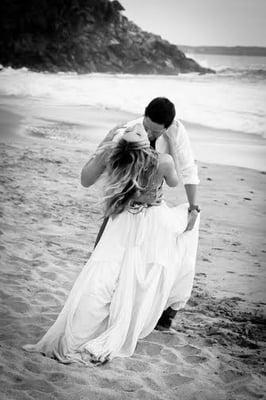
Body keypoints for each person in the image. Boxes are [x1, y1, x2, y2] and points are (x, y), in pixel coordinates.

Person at [23, 122, 200, 366]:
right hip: (145, 223)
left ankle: (79, 333)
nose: (143, 129)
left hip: (120, 223)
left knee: (102, 277)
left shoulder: (116, 160)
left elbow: (88, 180)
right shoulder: (162, 160)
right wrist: (191, 211)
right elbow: (176, 180)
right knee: (136, 273)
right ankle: (164, 312)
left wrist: (107, 140)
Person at [85, 97, 200, 330]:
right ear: (143, 116)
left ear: (167, 127)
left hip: (150, 210)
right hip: (122, 205)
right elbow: (96, 175)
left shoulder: (176, 136)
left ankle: (166, 311)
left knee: (168, 251)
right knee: (104, 256)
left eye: (156, 132)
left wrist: (193, 206)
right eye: (147, 127)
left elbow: (187, 169)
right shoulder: (128, 134)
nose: (149, 134)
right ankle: (102, 307)